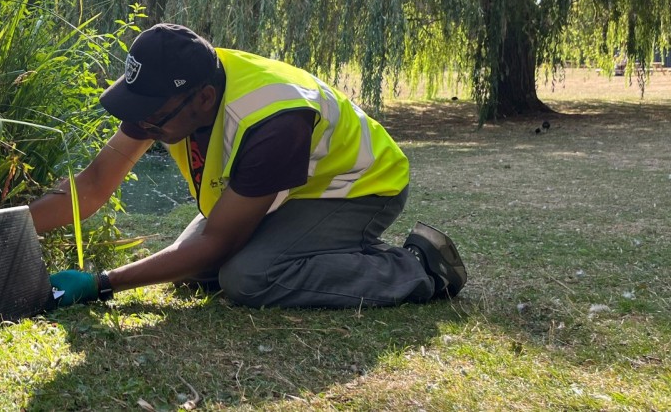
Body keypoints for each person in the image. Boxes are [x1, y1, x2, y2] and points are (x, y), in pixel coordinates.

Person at [31, 23, 466, 308]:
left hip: (358, 186)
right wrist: (1, 227)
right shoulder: (172, 95)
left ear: (202, 98)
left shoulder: (272, 121)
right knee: (198, 272)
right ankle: (325, 250)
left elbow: (218, 241)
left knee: (248, 277)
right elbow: (92, 186)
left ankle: (419, 268)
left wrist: (101, 283)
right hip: (293, 189)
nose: (140, 126)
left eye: (152, 118)